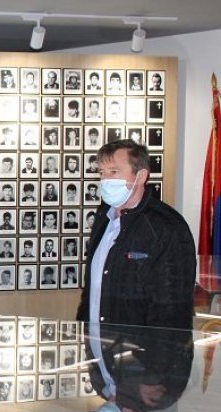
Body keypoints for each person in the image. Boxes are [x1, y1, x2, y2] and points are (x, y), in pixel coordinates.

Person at [77, 139, 195, 349]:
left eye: (114, 172)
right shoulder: (104, 217)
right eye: (102, 173)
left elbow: (172, 307)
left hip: (141, 357)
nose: (105, 180)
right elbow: (92, 288)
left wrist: (152, 367)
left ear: (141, 176)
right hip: (99, 348)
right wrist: (82, 336)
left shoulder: (166, 227)